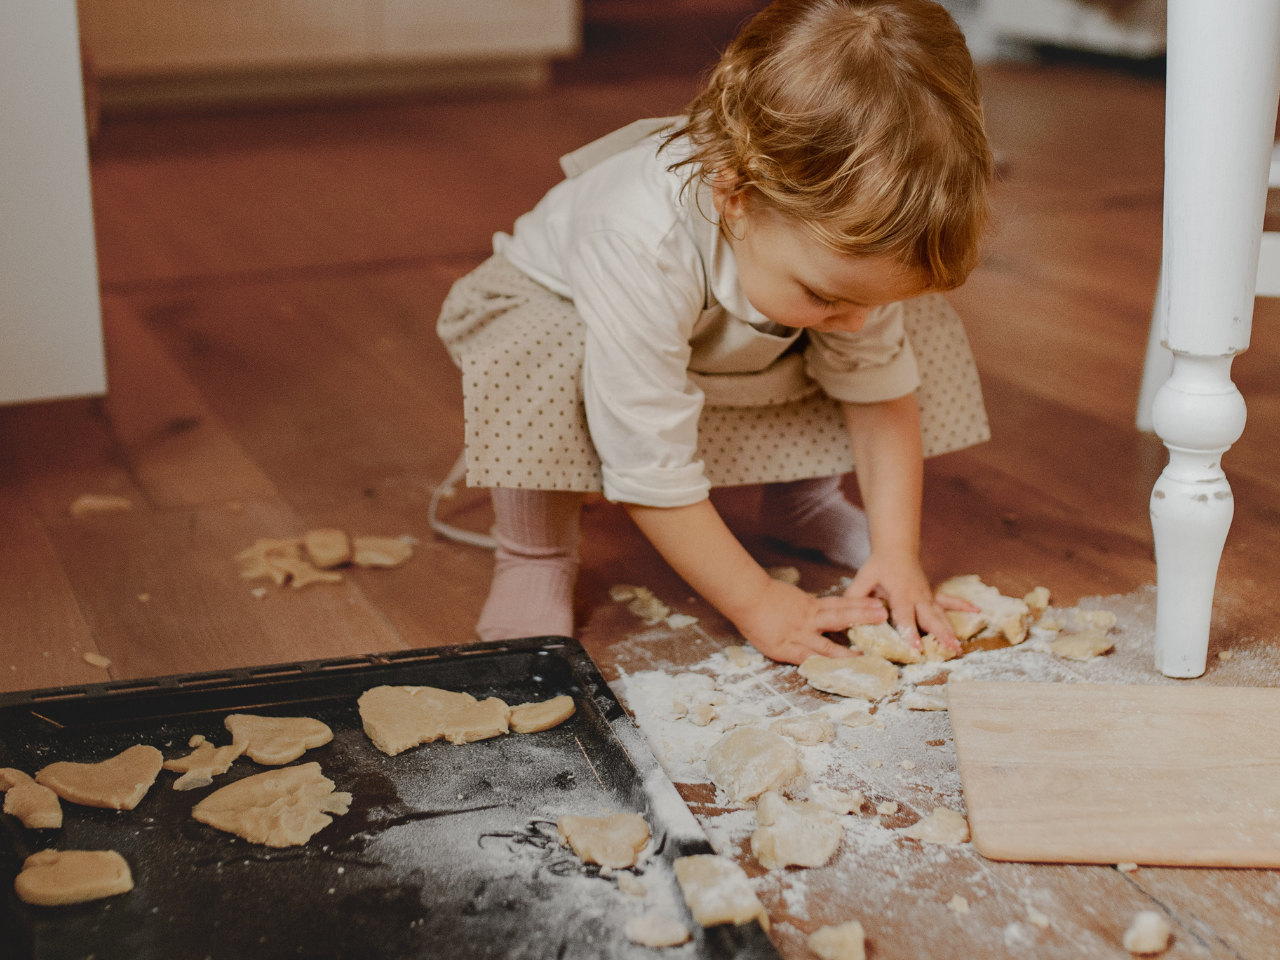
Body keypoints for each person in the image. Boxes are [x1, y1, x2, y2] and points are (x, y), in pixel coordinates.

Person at [437, 0, 993, 664]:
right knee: (545, 351)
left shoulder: (832, 254)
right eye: (825, 290)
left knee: (862, 338)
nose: (859, 318)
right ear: (736, 197)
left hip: (718, 327)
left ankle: (802, 501)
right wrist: (757, 604)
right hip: (568, 312)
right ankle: (536, 553)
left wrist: (897, 553)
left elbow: (877, 395)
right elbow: (648, 461)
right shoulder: (641, 234)